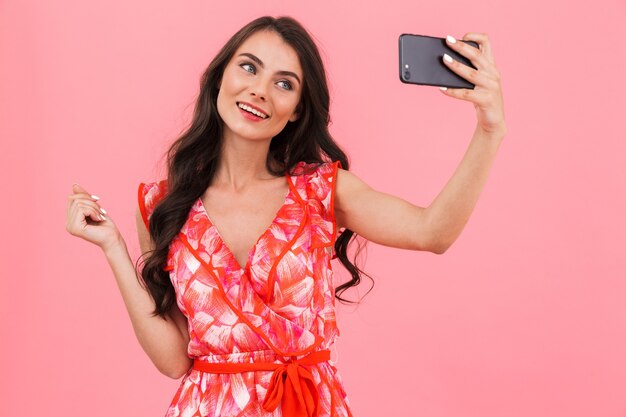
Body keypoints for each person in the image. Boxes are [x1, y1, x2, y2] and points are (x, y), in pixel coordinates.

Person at [65, 15, 506, 417]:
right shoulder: (164, 207)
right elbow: (174, 359)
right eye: (249, 67)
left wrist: (490, 129)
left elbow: (433, 232)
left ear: (297, 108)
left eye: (284, 83)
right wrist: (114, 249)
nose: (259, 89)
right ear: (219, 77)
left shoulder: (319, 191)